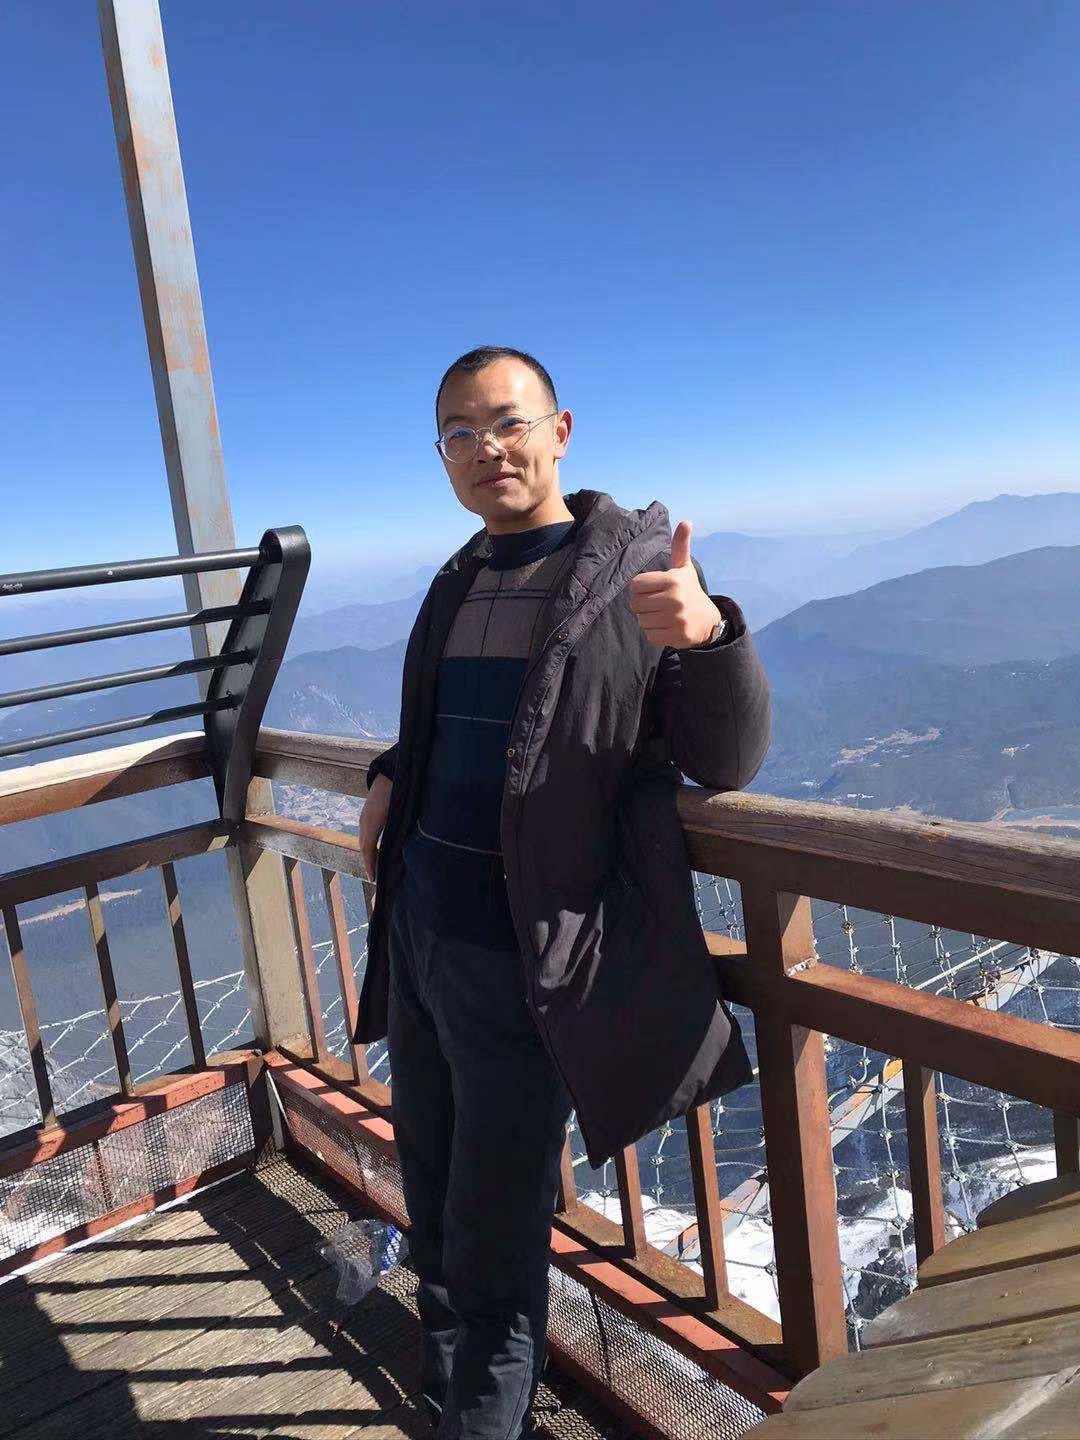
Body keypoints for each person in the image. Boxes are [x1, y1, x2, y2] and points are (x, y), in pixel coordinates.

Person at [354, 346, 770, 1439]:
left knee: (493, 1240)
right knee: (433, 1202)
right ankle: (445, 1398)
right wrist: (390, 772)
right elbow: (462, 731)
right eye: (459, 433)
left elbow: (727, 761)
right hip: (422, 941)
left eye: (507, 422)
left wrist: (711, 635)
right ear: (442, 457)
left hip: (528, 962)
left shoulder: (631, 577)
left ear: (560, 431)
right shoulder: (459, 580)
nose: (486, 448)